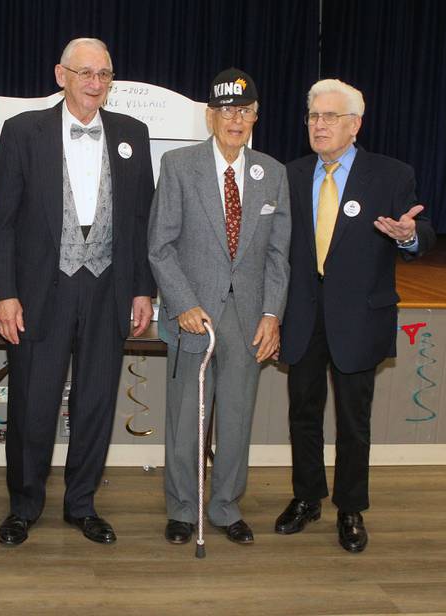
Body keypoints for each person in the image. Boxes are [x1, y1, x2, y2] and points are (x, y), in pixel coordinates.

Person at [0, 38, 155, 546]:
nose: (95, 83)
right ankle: (24, 505)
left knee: (96, 403)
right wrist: (6, 293)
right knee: (33, 406)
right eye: (85, 73)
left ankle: (81, 504)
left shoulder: (133, 134)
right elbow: (2, 223)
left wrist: (143, 290)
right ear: (61, 75)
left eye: (104, 74)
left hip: (108, 289)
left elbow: (140, 220)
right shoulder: (22, 132)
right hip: (41, 291)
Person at [275, 79, 435, 553]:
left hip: (359, 318)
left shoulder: (389, 175)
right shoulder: (290, 173)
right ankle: (306, 499)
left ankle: (350, 509)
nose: (318, 125)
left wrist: (408, 236)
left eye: (329, 117)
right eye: (313, 117)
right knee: (302, 414)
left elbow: (419, 232)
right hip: (302, 315)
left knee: (353, 420)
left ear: (355, 125)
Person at [148, 68, 291, 545]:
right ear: (211, 116)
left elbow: (277, 255)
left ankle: (226, 506)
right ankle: (184, 509)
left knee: (236, 416)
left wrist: (273, 313)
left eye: (245, 111)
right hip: (195, 316)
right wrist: (183, 303)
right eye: (227, 111)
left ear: (255, 117)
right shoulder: (178, 165)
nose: (236, 120)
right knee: (186, 417)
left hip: (249, 317)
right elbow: (160, 246)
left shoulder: (272, 173)